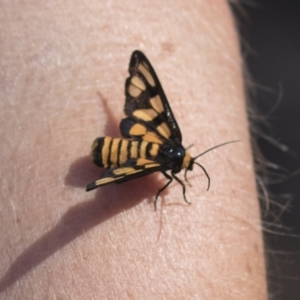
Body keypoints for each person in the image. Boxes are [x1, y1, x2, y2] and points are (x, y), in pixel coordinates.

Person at [0, 1, 267, 298]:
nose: (184, 164)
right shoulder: (164, 168)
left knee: (141, 161)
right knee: (137, 168)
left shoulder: (171, 136)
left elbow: (150, 99)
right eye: (185, 163)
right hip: (112, 156)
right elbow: (163, 174)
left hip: (120, 147)